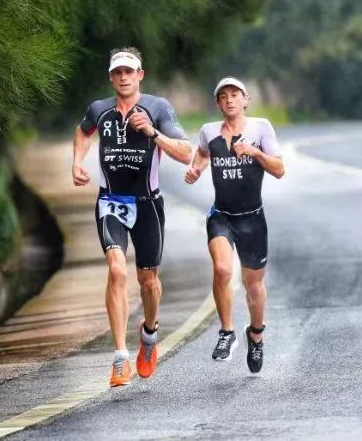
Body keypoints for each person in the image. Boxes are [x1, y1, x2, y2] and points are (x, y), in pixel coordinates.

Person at [72, 47, 192, 387]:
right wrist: (77, 162)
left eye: (130, 71)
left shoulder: (158, 108)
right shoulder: (99, 110)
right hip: (110, 201)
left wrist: (154, 133)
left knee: (148, 282)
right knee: (115, 269)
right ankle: (120, 357)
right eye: (117, 72)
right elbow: (83, 132)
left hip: (147, 204)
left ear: (140, 75)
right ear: (111, 77)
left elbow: (186, 153)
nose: (124, 77)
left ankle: (149, 335)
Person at [184, 77, 285, 373]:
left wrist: (255, 153)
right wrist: (196, 170)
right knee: (222, 269)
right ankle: (226, 333)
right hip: (222, 215)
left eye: (235, 95)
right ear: (217, 103)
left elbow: (279, 170)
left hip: (253, 218)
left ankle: (256, 335)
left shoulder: (261, 128)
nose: (229, 100)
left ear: (245, 100)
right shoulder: (208, 132)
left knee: (253, 285)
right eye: (223, 96)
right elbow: (202, 154)